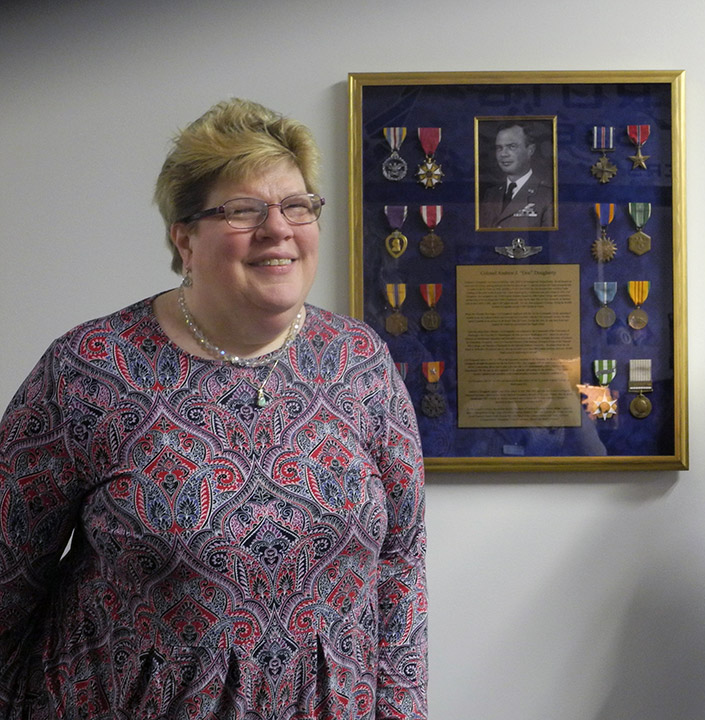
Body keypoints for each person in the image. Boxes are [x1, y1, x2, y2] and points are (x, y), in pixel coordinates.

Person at [0, 99, 427, 719]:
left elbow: (401, 563)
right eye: (242, 210)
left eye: (297, 206)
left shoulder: (359, 362)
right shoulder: (90, 368)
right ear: (185, 238)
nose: (277, 229)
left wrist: (401, 710)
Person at [478, 121, 554, 229]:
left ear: (530, 150)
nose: (503, 154)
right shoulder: (490, 194)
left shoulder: (548, 196)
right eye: (499, 148)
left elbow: (549, 241)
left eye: (512, 146)